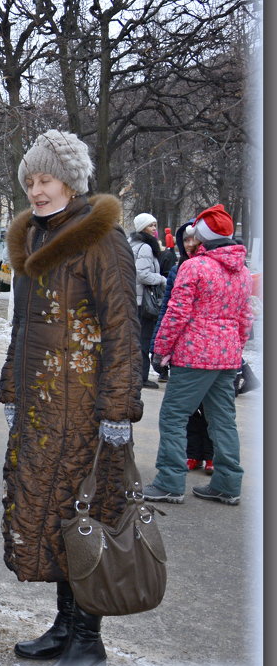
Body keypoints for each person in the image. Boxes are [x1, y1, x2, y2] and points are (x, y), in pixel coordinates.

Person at [0, 129, 144, 666]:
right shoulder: (34, 240)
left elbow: (124, 331)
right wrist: (11, 389)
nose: (36, 190)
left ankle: (89, 643)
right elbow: (20, 329)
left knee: (89, 517)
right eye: (30, 181)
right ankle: (64, 626)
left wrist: (118, 411)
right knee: (57, 516)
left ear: (71, 181)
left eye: (46, 179)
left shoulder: (100, 240)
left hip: (85, 408)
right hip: (40, 409)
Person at [143, 204, 253, 507]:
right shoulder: (243, 271)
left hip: (194, 355)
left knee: (174, 416)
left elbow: (176, 313)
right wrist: (235, 346)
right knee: (223, 420)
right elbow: (246, 318)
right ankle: (228, 485)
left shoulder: (194, 266)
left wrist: (161, 350)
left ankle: (169, 482)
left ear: (203, 237)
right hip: (227, 355)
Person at [128, 212, 167, 389]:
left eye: (155, 225)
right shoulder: (145, 247)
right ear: (142, 227)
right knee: (143, 341)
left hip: (134, 300)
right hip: (143, 302)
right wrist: (161, 279)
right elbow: (142, 275)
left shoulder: (133, 244)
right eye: (151, 225)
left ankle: (135, 375)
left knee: (136, 340)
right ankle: (141, 377)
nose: (154, 229)